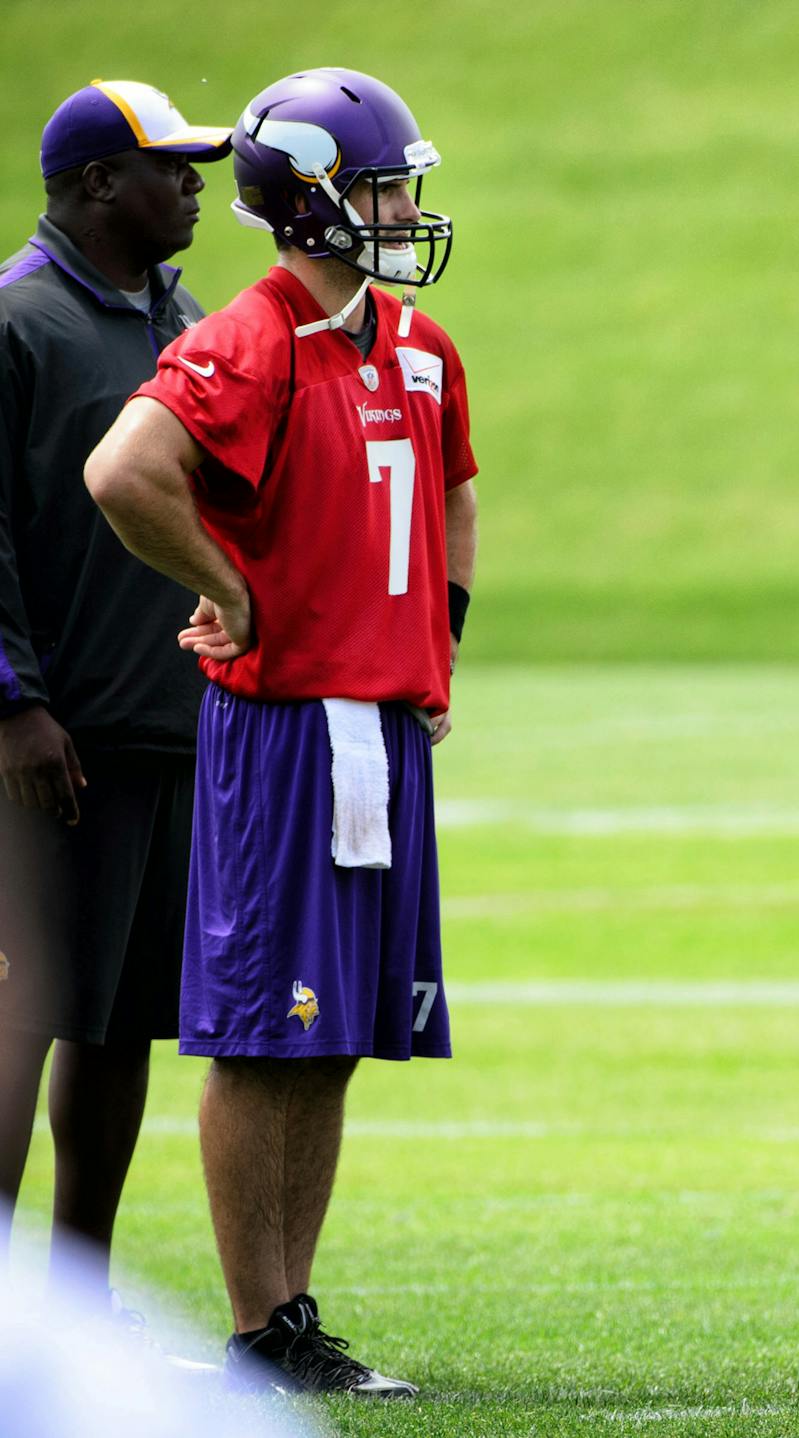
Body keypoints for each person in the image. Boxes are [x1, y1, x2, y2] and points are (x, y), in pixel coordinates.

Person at [81, 67, 474, 1399]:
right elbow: (124, 469)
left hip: (378, 722)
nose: (409, 206)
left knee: (335, 1028)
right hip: (287, 728)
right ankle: (261, 1326)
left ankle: (293, 1311)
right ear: (312, 203)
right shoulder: (249, 339)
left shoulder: (415, 342)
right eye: (385, 185)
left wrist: (440, 638)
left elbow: (455, 496)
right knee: (267, 1027)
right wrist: (232, 585)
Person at [0, 80, 231, 1337]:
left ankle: (75, 1324)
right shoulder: (17, 321)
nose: (196, 186)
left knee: (121, 1024)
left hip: (168, 733)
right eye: (173, 168)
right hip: (44, 745)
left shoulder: (184, 323)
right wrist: (11, 708)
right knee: (21, 1018)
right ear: (99, 184)